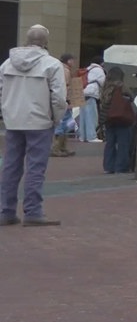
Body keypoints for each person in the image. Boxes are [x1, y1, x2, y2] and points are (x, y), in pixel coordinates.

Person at [0, 25, 67, 226]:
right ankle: (33, 212)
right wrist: (56, 119)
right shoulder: (52, 65)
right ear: (45, 42)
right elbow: (58, 98)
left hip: (13, 121)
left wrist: (6, 113)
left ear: (26, 40)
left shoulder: (7, 64)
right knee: (36, 167)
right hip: (40, 121)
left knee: (10, 166)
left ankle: (6, 211)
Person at [98, 67, 135, 175]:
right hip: (122, 118)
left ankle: (108, 166)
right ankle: (121, 166)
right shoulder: (121, 86)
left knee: (110, 143)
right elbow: (130, 97)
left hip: (108, 119)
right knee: (123, 143)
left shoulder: (105, 87)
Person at [51, 54, 81, 158]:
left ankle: (61, 147)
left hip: (63, 100)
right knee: (63, 124)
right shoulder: (65, 71)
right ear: (68, 61)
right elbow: (64, 87)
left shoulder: (60, 69)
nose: (74, 62)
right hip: (64, 101)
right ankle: (57, 147)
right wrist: (68, 101)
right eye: (72, 60)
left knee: (65, 124)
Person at [80, 55, 105, 143]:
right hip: (91, 93)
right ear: (101, 63)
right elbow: (103, 83)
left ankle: (82, 136)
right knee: (91, 116)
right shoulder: (99, 70)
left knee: (83, 116)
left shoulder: (87, 69)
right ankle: (91, 136)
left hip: (82, 92)